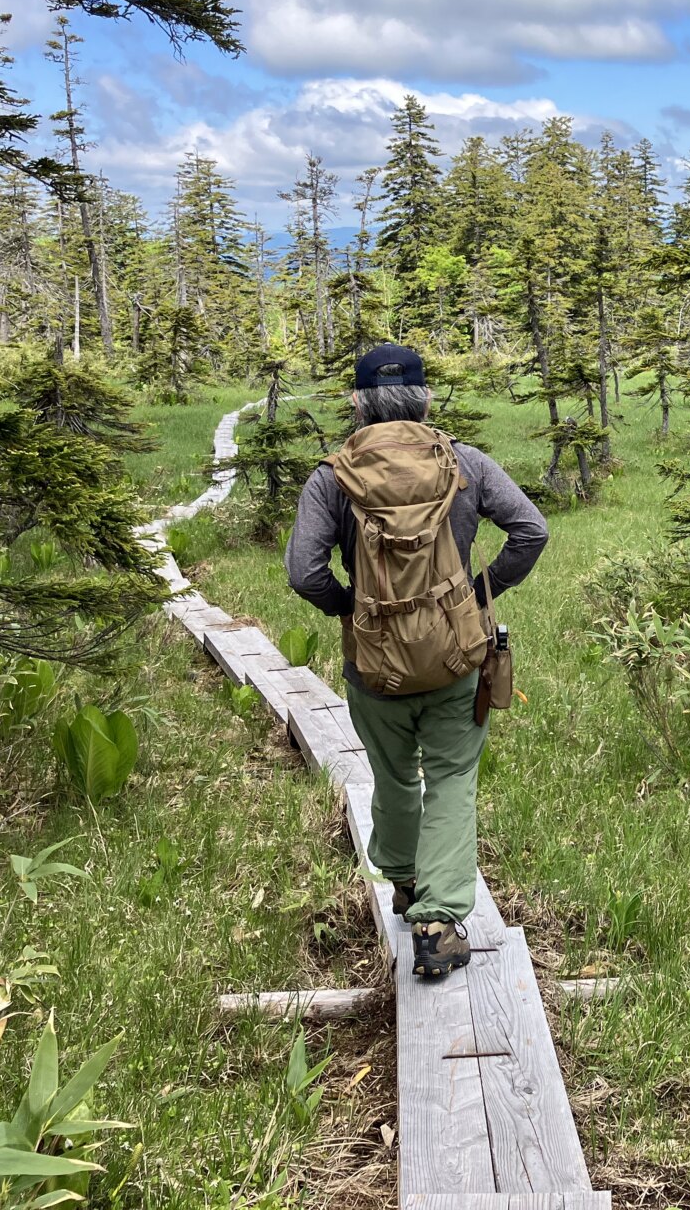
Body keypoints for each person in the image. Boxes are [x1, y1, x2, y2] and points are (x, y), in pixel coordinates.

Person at [287, 344, 548, 978]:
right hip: (459, 657)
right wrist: (479, 593)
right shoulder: (466, 463)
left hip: (375, 667)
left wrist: (350, 608)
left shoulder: (332, 477)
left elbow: (302, 572)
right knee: (453, 778)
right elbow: (531, 531)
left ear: (358, 402)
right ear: (425, 398)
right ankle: (439, 922)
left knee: (395, 775)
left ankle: (405, 884)